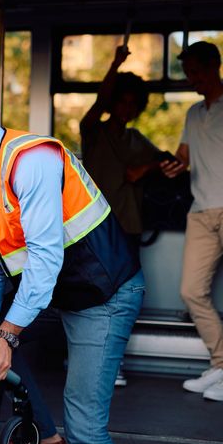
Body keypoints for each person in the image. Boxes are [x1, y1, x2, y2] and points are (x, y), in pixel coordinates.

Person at [0, 77, 144, 444]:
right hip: (60, 291)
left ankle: (66, 440)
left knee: (83, 423)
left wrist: (8, 334)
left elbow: (45, 257)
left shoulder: (31, 159)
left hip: (104, 294)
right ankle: (46, 438)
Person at [161, 40, 223, 401]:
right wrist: (174, 165)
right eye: (188, 73)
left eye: (195, 71)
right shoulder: (194, 113)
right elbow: (184, 155)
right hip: (201, 209)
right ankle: (222, 364)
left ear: (214, 67)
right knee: (191, 291)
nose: (191, 79)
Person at [80, 45, 163, 387]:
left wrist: (145, 168)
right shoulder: (93, 131)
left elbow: (167, 162)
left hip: (128, 226)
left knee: (125, 295)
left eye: (133, 103)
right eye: (122, 100)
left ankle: (115, 360)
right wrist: (115, 63)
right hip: (93, 227)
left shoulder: (137, 139)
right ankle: (86, 354)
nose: (127, 108)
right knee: (91, 291)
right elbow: (98, 102)